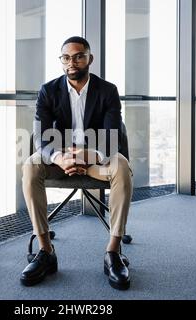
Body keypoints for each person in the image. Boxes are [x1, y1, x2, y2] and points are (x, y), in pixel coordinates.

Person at [21, 36, 133, 290]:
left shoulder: (108, 91)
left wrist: (89, 156)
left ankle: (113, 253)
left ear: (89, 59)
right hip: (61, 158)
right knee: (30, 166)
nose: (72, 62)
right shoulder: (48, 91)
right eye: (66, 57)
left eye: (78, 56)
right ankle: (45, 250)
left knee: (122, 167)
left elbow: (113, 135)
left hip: (96, 157)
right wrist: (61, 157)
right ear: (62, 61)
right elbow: (40, 135)